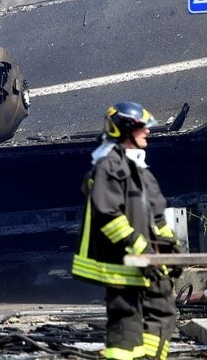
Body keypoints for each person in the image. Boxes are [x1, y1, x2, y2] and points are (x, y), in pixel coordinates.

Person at [71, 101, 182, 360]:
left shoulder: (142, 172)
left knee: (163, 311)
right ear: (126, 129)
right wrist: (142, 249)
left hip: (148, 262)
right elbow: (108, 216)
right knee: (126, 321)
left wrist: (171, 252)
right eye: (143, 127)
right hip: (122, 263)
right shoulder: (108, 166)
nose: (149, 132)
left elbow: (157, 219)